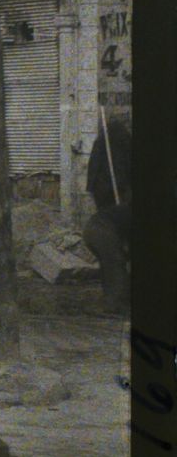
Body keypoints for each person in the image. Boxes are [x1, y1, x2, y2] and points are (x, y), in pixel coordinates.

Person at [83, 117, 131, 313]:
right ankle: (114, 302)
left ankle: (118, 297)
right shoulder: (116, 144)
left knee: (115, 257)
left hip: (110, 206)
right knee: (115, 258)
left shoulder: (108, 142)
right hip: (110, 211)